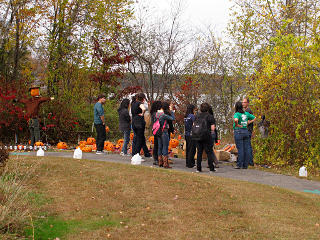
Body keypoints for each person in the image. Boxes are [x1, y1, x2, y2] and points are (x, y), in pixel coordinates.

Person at [192, 103, 216, 173]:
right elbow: (212, 128)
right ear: (208, 108)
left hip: (197, 135)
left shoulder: (197, 116)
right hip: (206, 136)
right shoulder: (210, 116)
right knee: (209, 152)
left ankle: (198, 168)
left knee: (199, 152)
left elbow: (193, 125)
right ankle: (211, 168)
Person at [233, 101, 256, 169]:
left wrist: (237, 125)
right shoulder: (246, 113)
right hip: (246, 131)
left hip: (238, 131)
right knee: (246, 148)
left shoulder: (236, 114)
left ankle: (239, 164)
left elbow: (236, 120)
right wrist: (248, 122)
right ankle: (245, 165)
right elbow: (254, 118)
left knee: (240, 149)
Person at [156, 102, 175, 168]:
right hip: (164, 132)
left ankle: (160, 161)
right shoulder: (164, 115)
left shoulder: (157, 114)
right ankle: (165, 163)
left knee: (160, 146)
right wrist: (172, 111)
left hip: (158, 132)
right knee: (165, 147)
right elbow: (172, 118)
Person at [242, 97, 254, 166]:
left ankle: (250, 162)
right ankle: (248, 160)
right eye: (242, 102)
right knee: (246, 146)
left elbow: (249, 121)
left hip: (247, 130)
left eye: (244, 102)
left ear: (248, 103)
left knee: (248, 146)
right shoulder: (246, 110)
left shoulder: (248, 111)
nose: (243, 104)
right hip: (247, 130)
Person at [150, 101, 162, 165]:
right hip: (158, 130)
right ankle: (157, 158)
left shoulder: (153, 113)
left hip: (154, 130)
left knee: (156, 144)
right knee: (158, 144)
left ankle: (156, 158)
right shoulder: (156, 114)